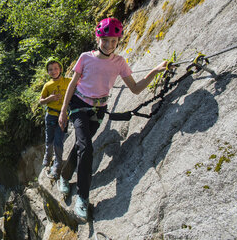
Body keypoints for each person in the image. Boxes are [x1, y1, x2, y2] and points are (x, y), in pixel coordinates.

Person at [57, 17, 169, 221]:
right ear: (97, 37)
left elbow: (135, 89)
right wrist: (64, 110)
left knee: (82, 146)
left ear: (118, 42)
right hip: (79, 105)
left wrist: (155, 71)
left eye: (114, 41)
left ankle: (64, 177)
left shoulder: (119, 63)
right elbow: (72, 84)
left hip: (99, 109)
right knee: (86, 147)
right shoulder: (85, 58)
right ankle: (82, 198)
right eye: (105, 40)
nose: (109, 45)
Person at [39, 57, 72, 179]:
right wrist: (50, 98)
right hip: (51, 116)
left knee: (58, 141)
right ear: (48, 72)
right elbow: (41, 101)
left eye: (56, 68)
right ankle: (47, 157)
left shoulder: (68, 81)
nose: (53, 71)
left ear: (61, 69)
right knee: (49, 140)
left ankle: (57, 165)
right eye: (50, 69)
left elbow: (80, 84)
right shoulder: (47, 85)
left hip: (63, 116)